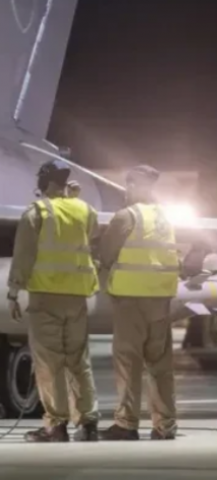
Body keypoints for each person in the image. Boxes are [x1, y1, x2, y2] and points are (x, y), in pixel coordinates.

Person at [7, 159, 100, 442]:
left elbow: (23, 256)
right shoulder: (85, 209)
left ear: (45, 182)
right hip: (77, 297)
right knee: (78, 361)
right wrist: (72, 199)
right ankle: (88, 423)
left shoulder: (36, 212)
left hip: (46, 297)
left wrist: (13, 292)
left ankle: (56, 426)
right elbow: (89, 234)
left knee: (50, 363)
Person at [98, 165, 180, 441]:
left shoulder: (127, 216)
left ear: (132, 185)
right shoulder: (165, 216)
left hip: (131, 301)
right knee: (160, 366)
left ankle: (126, 424)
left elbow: (106, 254)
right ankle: (165, 425)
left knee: (128, 364)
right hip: (161, 301)